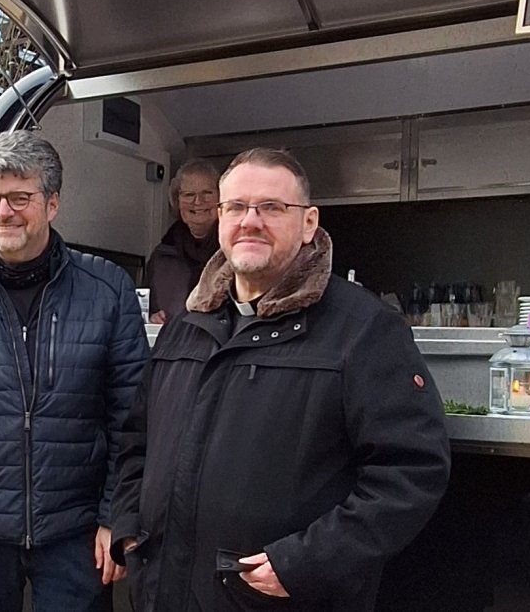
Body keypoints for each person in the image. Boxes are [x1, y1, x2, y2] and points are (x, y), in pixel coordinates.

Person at [111, 148, 451, 612]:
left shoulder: (365, 329)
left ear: (309, 223)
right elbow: (137, 441)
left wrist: (305, 563)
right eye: (235, 207)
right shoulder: (186, 326)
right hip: (164, 593)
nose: (250, 220)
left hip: (280, 599)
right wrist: (130, 526)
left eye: (272, 207)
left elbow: (410, 473)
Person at [0, 130, 149, 612]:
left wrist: (115, 518)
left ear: (52, 203)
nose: (3, 212)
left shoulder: (107, 289)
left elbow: (133, 420)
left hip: (77, 534)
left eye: (20, 197)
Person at [145, 159, 220, 324]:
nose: (198, 201)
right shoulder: (161, 257)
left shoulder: (237, 251)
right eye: (189, 195)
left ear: (221, 198)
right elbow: (147, 311)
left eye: (207, 193)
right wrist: (152, 319)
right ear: (176, 202)